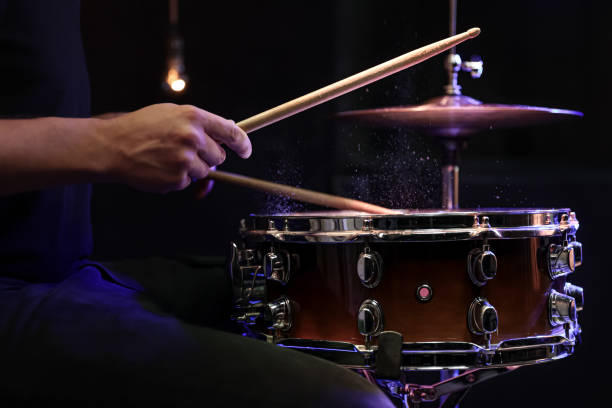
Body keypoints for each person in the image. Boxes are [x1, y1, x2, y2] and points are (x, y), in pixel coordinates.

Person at [0, 1, 395, 407]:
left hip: (64, 273)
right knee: (349, 402)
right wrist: (111, 143)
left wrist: (132, 138)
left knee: (325, 298)